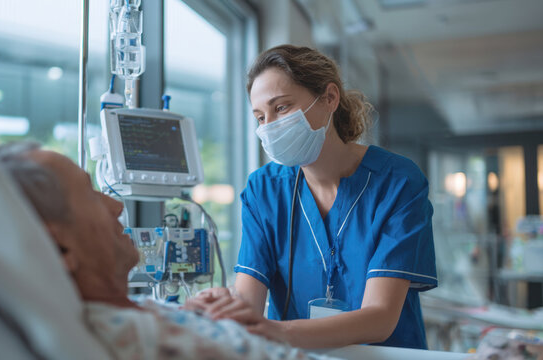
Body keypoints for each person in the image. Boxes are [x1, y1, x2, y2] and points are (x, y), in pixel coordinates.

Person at [185, 44, 437, 350]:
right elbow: (248, 305)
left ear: (330, 98)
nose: (271, 126)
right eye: (260, 117)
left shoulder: (397, 183)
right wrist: (224, 305)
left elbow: (380, 318)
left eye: (281, 108)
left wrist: (275, 331)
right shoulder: (263, 191)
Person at [0, 142, 338, 360]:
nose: (113, 204)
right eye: (89, 193)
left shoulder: (139, 311)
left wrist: (194, 315)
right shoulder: (128, 338)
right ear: (61, 247)